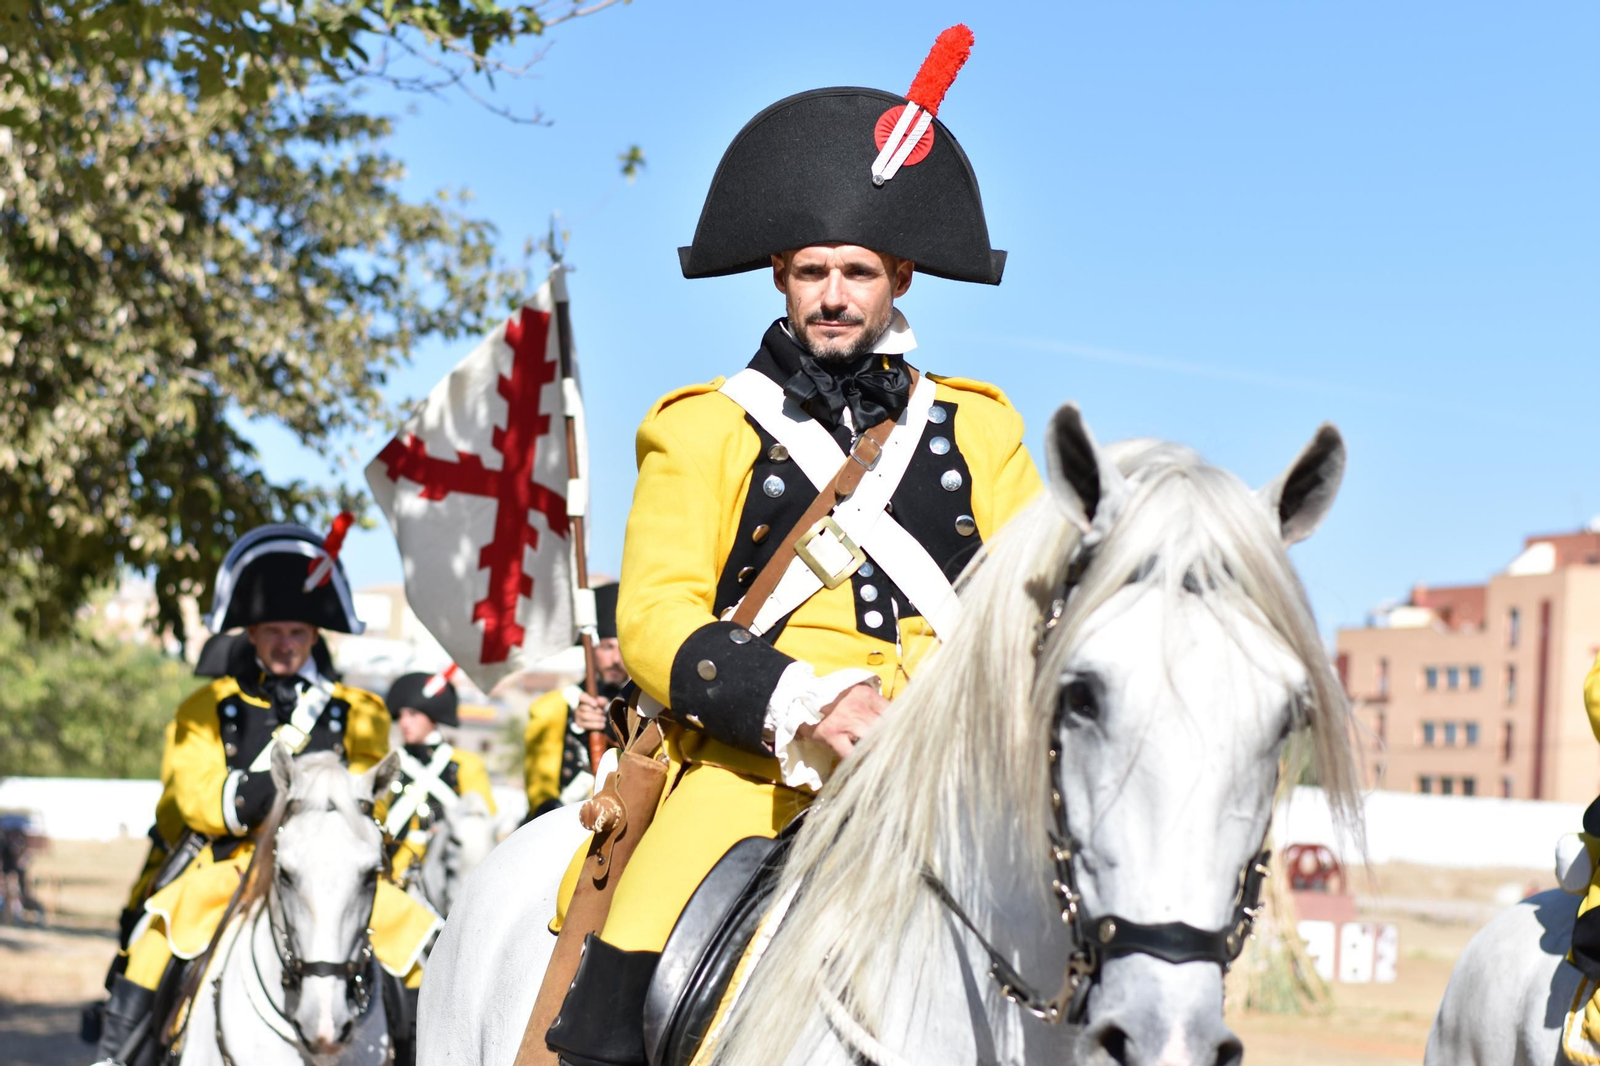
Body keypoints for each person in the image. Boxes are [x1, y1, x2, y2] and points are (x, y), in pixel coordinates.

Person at [546, 25, 1042, 1064]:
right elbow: (655, 620)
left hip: (943, 777)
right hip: (750, 768)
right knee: (613, 1001)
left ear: (900, 275)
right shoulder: (702, 426)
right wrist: (806, 702)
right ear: (778, 273)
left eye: (857, 270)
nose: (832, 295)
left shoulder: (984, 429)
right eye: (811, 270)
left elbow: (1033, 608)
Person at [94, 524, 440, 1066]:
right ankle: (119, 1058)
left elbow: (369, 797)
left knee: (413, 944)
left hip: (330, 866)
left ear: (315, 636)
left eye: (297, 631)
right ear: (251, 634)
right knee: (156, 940)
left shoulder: (361, 711)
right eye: (272, 631)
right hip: (232, 864)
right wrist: (266, 793)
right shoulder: (205, 708)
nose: (285, 644)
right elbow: (193, 796)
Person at [523, 583, 627, 819]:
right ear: (590, 649)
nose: (616, 659)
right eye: (607, 647)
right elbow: (541, 786)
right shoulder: (550, 707)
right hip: (565, 820)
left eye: (623, 648)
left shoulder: (648, 708)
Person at [384, 667, 497, 881]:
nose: (404, 722)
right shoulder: (390, 763)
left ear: (433, 718)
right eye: (401, 715)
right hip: (392, 869)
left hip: (444, 870)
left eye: (413, 714)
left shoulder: (466, 764)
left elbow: (480, 825)